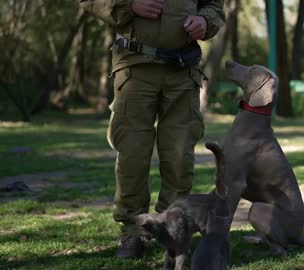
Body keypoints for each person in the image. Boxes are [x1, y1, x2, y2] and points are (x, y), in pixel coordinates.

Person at [79, 0, 225, 258]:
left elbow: (213, 6)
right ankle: (133, 232)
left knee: (179, 157)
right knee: (132, 155)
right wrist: (129, 6)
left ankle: (173, 227)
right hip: (135, 68)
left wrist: (205, 21)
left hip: (183, 70)